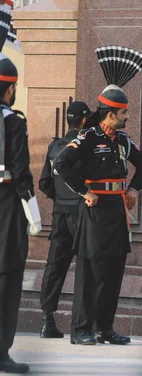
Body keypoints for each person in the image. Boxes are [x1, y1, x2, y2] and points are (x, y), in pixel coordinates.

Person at [54, 46, 142, 346]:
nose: (126, 117)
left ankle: (104, 329)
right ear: (111, 114)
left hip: (117, 209)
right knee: (90, 270)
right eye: (123, 113)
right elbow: (61, 164)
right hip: (94, 210)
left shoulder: (122, 139)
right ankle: (81, 329)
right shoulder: (88, 137)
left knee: (113, 268)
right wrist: (84, 192)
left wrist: (134, 187)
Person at [0, 54, 40, 374]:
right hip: (7, 205)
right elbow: (20, 170)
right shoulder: (13, 121)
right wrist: (32, 207)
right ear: (9, 89)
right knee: (8, 276)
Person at [38, 101, 91, 339]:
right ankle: (82, 326)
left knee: (55, 267)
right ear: (83, 121)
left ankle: (47, 320)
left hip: (60, 214)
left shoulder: (54, 146)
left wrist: (59, 198)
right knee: (85, 267)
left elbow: (44, 183)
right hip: (84, 213)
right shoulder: (84, 146)